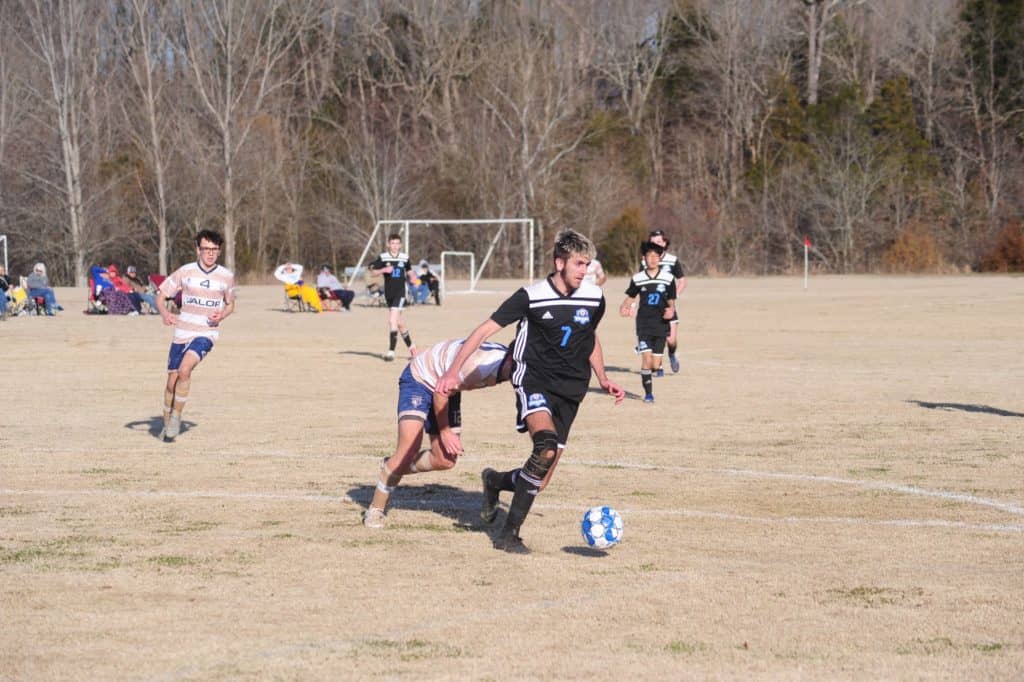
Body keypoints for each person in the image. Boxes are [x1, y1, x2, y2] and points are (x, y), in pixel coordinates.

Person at [435, 229, 625, 553]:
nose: (585, 271)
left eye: (588, 264)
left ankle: (495, 481)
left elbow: (589, 338)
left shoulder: (595, 297)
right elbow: (483, 330)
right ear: (559, 262)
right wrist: (453, 371)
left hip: (572, 389)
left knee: (542, 479)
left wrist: (603, 377)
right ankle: (507, 536)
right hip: (533, 379)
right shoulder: (531, 296)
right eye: (579, 264)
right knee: (545, 446)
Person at [362, 339, 514, 528]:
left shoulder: (510, 365)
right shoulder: (477, 367)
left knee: (445, 460)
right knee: (407, 451)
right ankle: (375, 509)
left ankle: (392, 465)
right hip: (420, 379)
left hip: (447, 387)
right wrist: (445, 431)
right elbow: (441, 391)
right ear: (511, 359)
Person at [155, 229, 236, 442]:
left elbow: (230, 304)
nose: (210, 253)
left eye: (214, 249)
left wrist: (222, 315)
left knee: (185, 370)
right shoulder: (185, 271)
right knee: (171, 382)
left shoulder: (226, 276)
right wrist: (164, 313)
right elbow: (161, 296)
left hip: (206, 333)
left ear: (219, 251)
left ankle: (176, 418)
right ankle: (167, 423)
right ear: (197, 249)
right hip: (182, 332)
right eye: (206, 249)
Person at [620, 241, 676, 403]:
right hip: (644, 324)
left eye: (655, 256)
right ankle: (648, 395)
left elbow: (671, 300)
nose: (652, 259)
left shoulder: (668, 278)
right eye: (649, 256)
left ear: (660, 258)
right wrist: (624, 306)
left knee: (655, 365)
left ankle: (644, 349)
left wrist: (671, 310)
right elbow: (631, 296)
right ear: (644, 258)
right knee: (646, 360)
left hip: (661, 324)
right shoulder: (638, 278)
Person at [642, 229, 686, 374]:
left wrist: (674, 296)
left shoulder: (672, 260)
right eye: (653, 242)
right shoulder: (645, 261)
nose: (656, 244)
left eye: (659, 242)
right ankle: (658, 366)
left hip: (668, 306)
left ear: (665, 243)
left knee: (671, 340)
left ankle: (672, 354)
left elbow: (682, 281)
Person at [369, 234, 416, 361]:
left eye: (397, 243)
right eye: (392, 243)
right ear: (388, 244)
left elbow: (409, 270)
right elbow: (373, 272)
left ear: (400, 245)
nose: (395, 246)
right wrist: (384, 270)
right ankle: (413, 349)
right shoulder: (383, 257)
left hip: (401, 292)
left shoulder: (404, 257)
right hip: (389, 293)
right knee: (399, 323)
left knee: (392, 320)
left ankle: (391, 351)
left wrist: (414, 278)